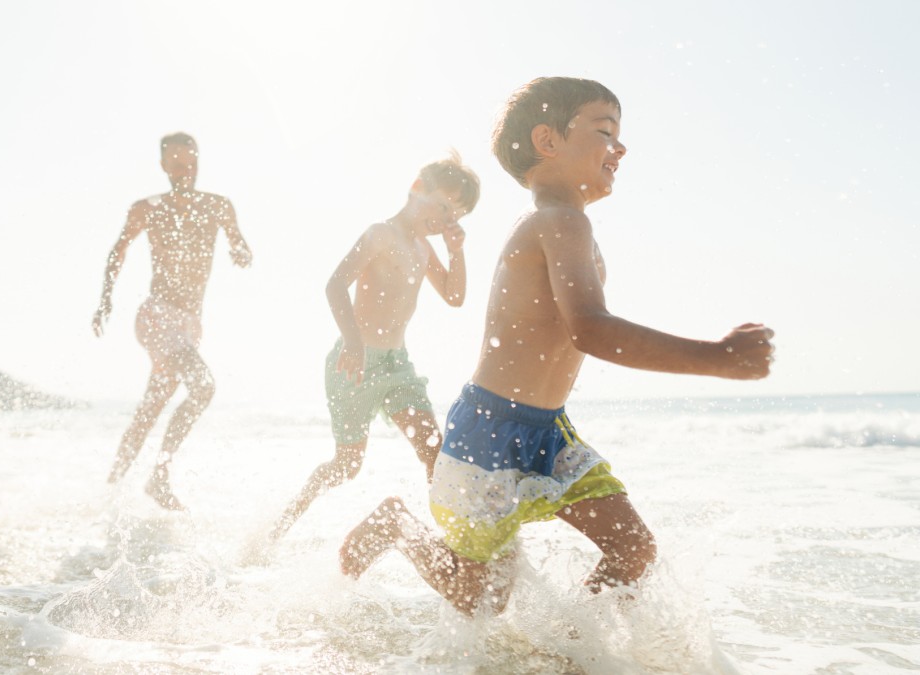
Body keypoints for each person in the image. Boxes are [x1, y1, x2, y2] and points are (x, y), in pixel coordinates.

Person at [338, 77, 775, 616]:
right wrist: (716, 358)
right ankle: (397, 527)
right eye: (605, 130)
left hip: (549, 430)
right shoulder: (557, 222)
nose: (621, 146)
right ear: (548, 141)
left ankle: (573, 651)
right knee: (479, 599)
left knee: (633, 549)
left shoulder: (569, 225)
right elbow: (590, 328)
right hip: (488, 435)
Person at [269, 155, 480, 540]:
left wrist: (456, 250)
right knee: (347, 465)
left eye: (456, 215)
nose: (447, 219)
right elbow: (335, 284)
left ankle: (459, 541)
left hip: (397, 364)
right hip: (354, 362)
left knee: (434, 448)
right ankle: (280, 524)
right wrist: (352, 342)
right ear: (418, 187)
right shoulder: (381, 234)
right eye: (444, 206)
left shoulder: (423, 248)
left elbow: (454, 296)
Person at [93, 132, 252, 511]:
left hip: (189, 324)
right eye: (176, 163)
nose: (185, 169)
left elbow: (239, 243)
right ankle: (159, 475)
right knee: (202, 386)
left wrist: (241, 251)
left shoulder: (218, 206)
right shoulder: (147, 208)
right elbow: (118, 250)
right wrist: (105, 299)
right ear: (163, 166)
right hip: (157, 316)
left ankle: (108, 492)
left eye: (190, 161)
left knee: (150, 408)